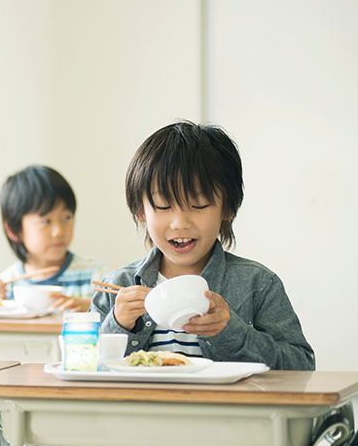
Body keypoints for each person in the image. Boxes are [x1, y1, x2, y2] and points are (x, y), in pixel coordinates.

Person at [92, 121, 315, 370]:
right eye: (164, 206)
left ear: (228, 207)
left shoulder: (258, 284)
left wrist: (231, 333)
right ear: (140, 211)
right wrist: (118, 325)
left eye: (198, 205)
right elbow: (84, 366)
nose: (180, 223)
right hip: (142, 410)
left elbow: (301, 367)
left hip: (227, 410)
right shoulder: (119, 285)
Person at [0, 165, 104, 312]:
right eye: (46, 221)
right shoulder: (8, 283)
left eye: (66, 217)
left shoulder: (94, 274)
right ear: (14, 230)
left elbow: (115, 319)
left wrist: (91, 307)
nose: (58, 231)